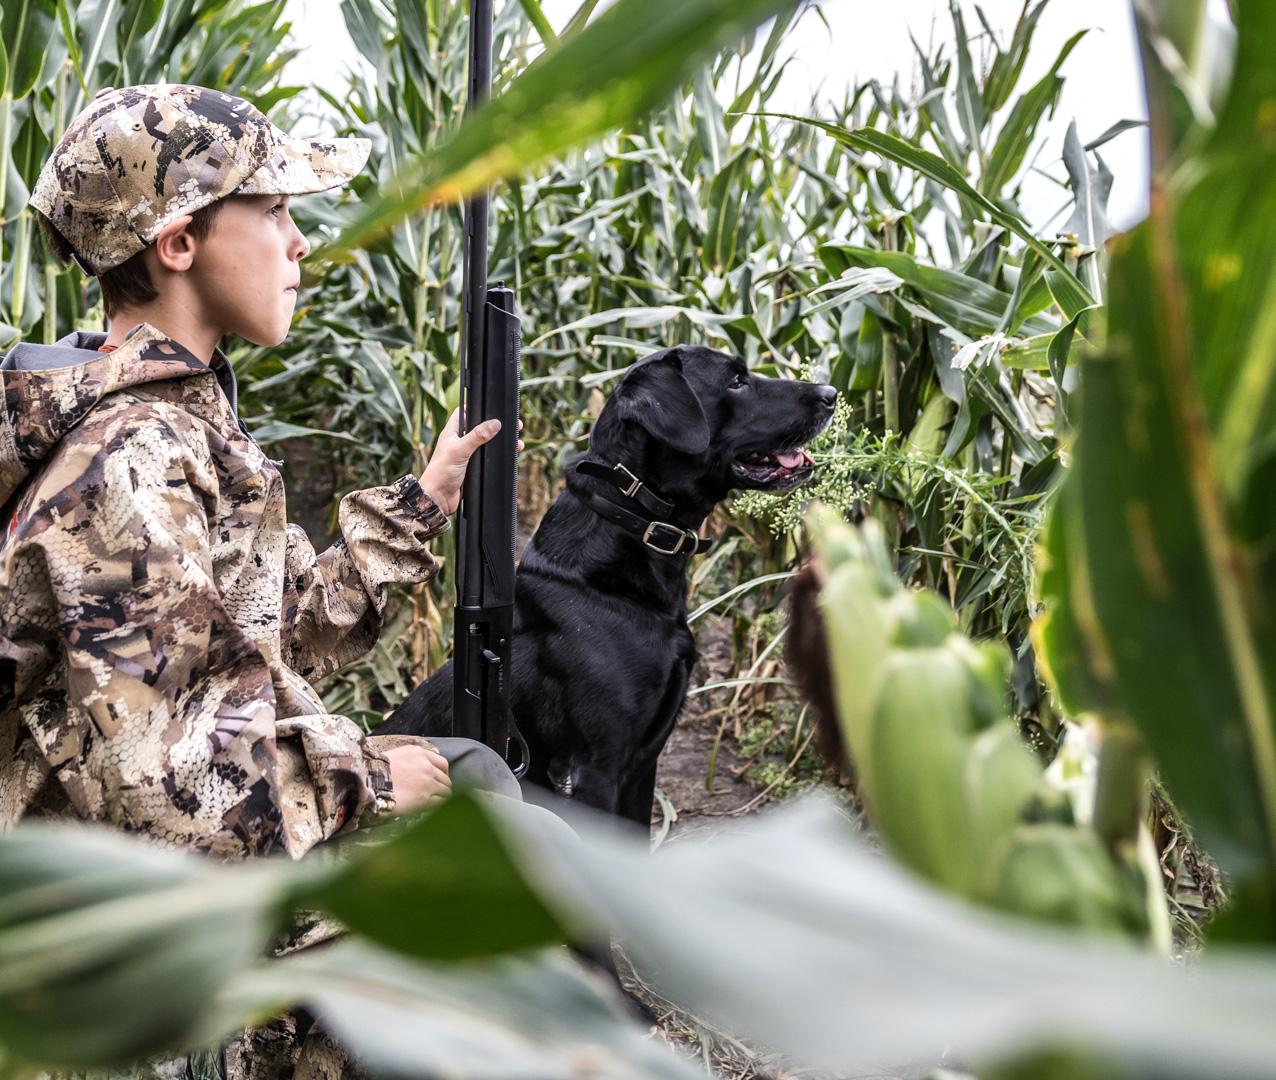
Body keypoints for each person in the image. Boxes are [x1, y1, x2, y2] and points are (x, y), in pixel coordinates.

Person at [0, 82, 522, 861]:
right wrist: (365, 779)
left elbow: (266, 632)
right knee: (521, 849)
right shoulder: (130, 458)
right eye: (275, 212)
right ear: (179, 245)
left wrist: (422, 502)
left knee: (480, 780)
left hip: (187, 841)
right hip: (134, 911)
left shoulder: (175, 418)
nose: (299, 241)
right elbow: (163, 799)